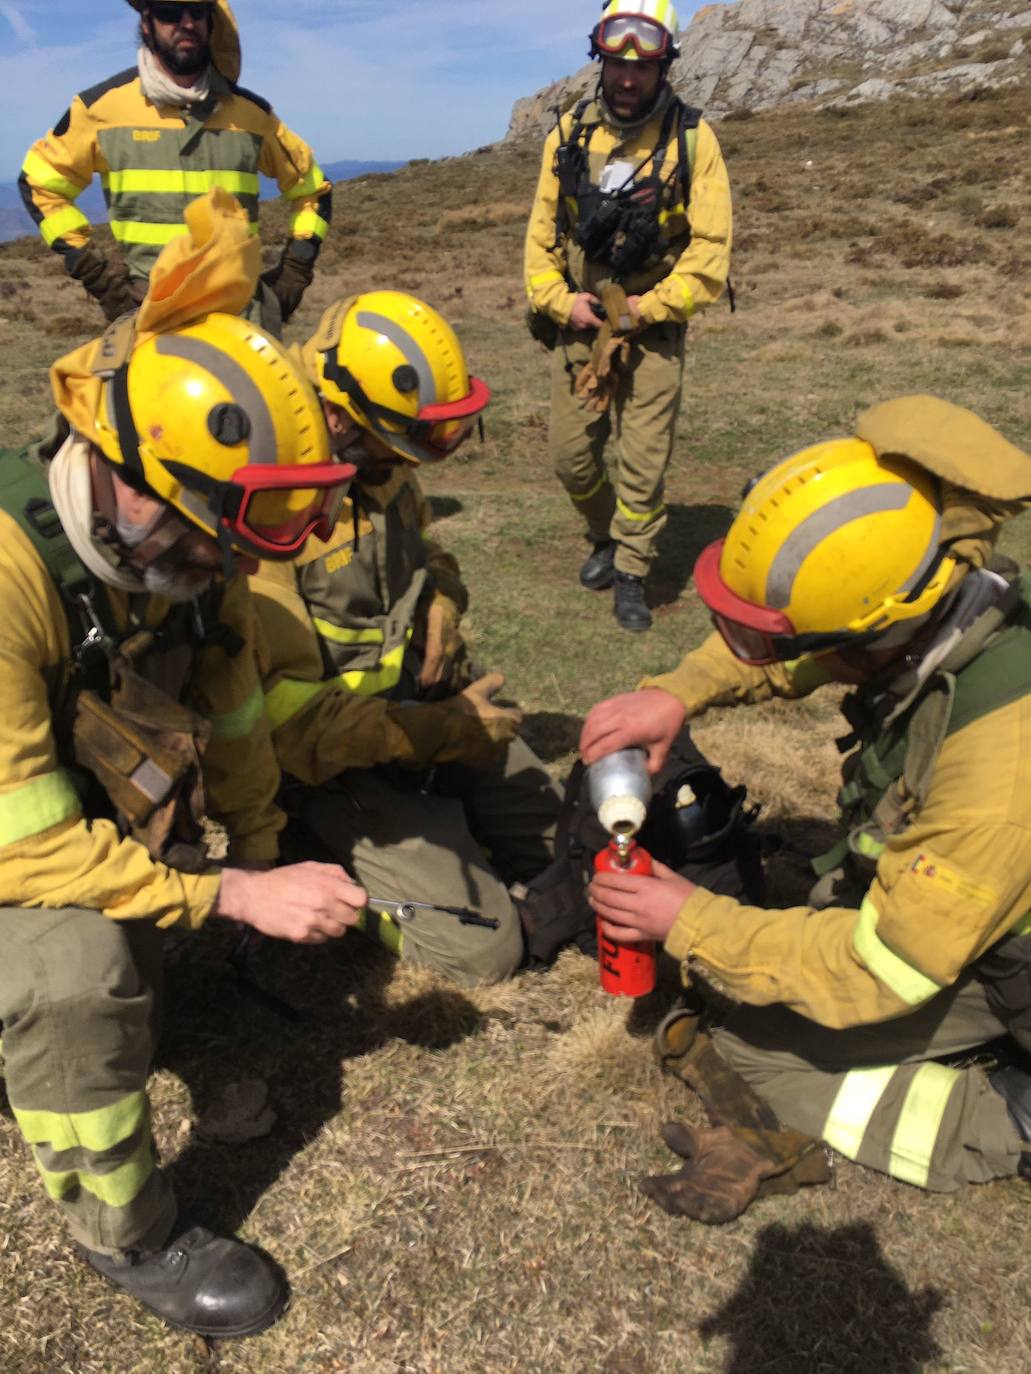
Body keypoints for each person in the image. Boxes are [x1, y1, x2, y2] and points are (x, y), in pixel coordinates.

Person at [0, 192, 364, 1337]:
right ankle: (128, 1236)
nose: (216, 567)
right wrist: (232, 891)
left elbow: (241, 717)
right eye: (203, 536)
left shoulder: (183, 566)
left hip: (59, 821)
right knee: (71, 973)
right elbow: (29, 845)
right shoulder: (12, 577)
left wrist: (254, 863)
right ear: (121, 469)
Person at [582, 395, 1031, 1208]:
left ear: (877, 639)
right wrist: (679, 693)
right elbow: (805, 651)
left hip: (1004, 965)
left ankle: (1011, 1119)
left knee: (756, 1051)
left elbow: (876, 971)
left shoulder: (997, 777)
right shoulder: (943, 611)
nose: (773, 660)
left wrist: (684, 920)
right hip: (974, 908)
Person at [250, 291, 563, 986]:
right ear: (336, 416)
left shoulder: (381, 466)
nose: (410, 465)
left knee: (564, 844)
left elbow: (428, 555)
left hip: (426, 716)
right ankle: (309, 852)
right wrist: (436, 735)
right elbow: (286, 726)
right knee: (483, 951)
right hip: (326, 764)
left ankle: (441, 823)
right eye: (395, 447)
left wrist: (444, 603)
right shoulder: (265, 503)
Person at [523, 0, 732, 632]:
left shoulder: (693, 140)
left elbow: (711, 253)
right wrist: (562, 302)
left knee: (643, 461)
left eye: (642, 67)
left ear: (665, 63)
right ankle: (604, 537)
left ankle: (634, 570)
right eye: (617, 64)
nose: (627, 79)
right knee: (571, 459)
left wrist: (649, 307)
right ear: (602, 60)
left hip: (653, 328)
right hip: (580, 323)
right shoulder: (568, 134)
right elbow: (539, 238)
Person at [19, 0, 331, 330]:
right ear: (146, 24)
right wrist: (101, 280)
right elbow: (41, 185)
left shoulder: (252, 115)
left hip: (244, 322)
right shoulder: (100, 109)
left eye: (197, 12)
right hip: (149, 319)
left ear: (211, 23)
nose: (186, 22)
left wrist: (293, 275)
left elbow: (314, 191)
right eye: (169, 11)